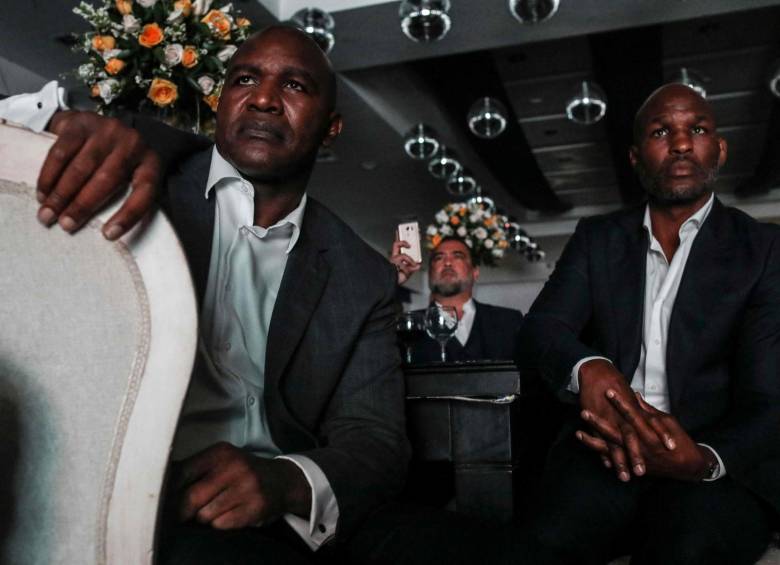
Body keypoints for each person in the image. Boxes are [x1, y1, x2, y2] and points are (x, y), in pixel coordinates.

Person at [2, 26, 506, 565]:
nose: (263, 98)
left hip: (290, 508)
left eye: (294, 86)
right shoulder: (140, 175)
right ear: (221, 104)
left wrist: (285, 480)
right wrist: (50, 125)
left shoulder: (360, 275)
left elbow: (375, 440)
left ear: (331, 129)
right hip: (143, 506)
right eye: (245, 79)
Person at [513, 83, 780, 564]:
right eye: (661, 132)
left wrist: (703, 461)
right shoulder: (597, 239)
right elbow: (542, 329)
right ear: (636, 157)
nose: (680, 143)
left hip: (711, 454)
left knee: (684, 549)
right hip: (605, 449)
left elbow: (767, 399)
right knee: (544, 544)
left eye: (696, 129)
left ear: (718, 149)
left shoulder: (763, 250)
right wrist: (588, 367)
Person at [390, 236, 522, 363]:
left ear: (475, 272)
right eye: (439, 258)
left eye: (458, 256)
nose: (447, 263)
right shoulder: (406, 325)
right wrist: (390, 280)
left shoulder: (509, 321)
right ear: (429, 274)